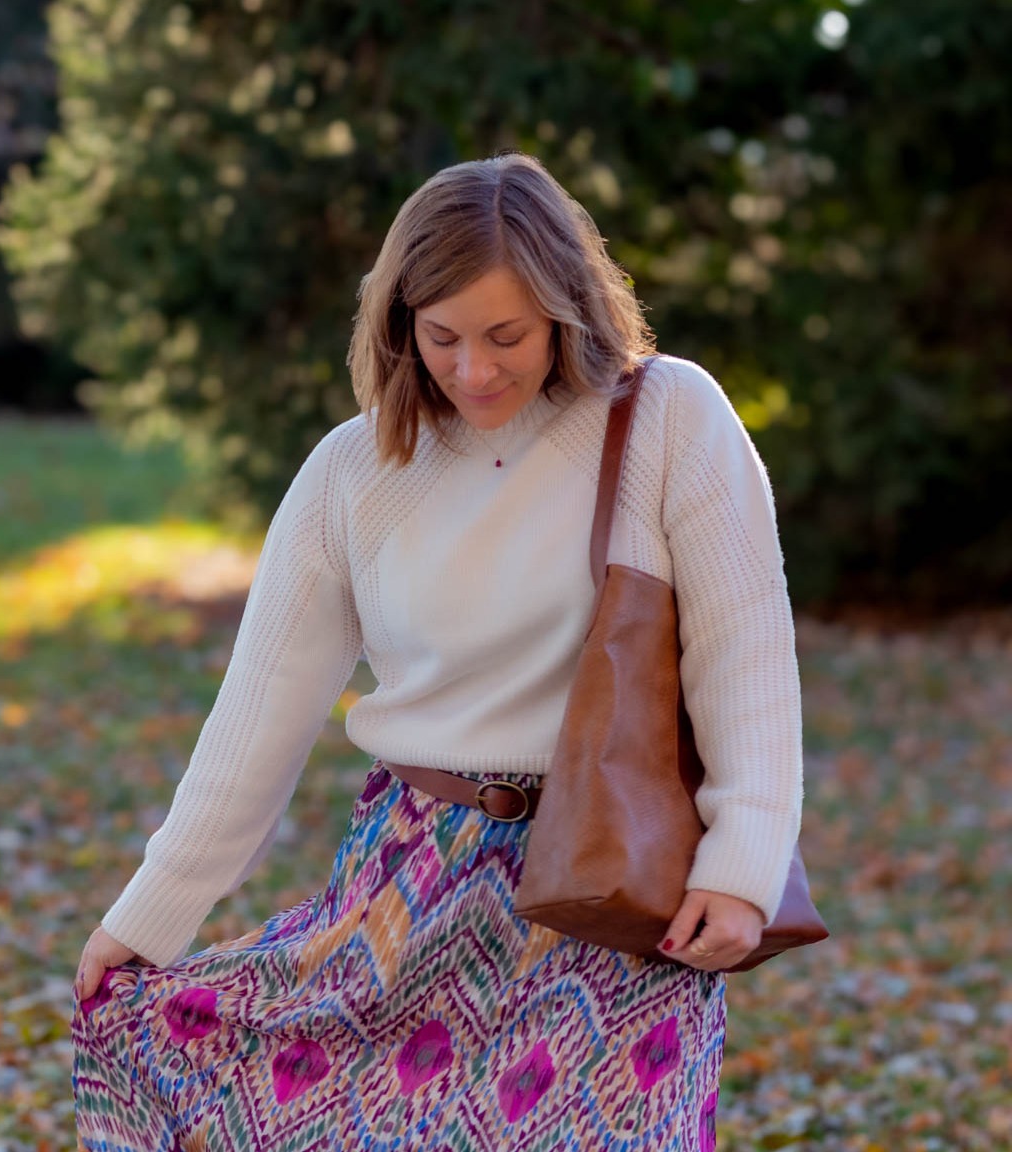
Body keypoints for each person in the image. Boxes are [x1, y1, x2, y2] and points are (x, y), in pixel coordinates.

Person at [72, 152, 802, 1151]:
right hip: (409, 890)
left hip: (619, 883)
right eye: (443, 336)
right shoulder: (352, 471)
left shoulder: (669, 417)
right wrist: (147, 917)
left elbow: (744, 650)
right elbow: (259, 716)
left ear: (568, 308)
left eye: (507, 335)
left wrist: (745, 862)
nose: (474, 369)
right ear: (399, 325)